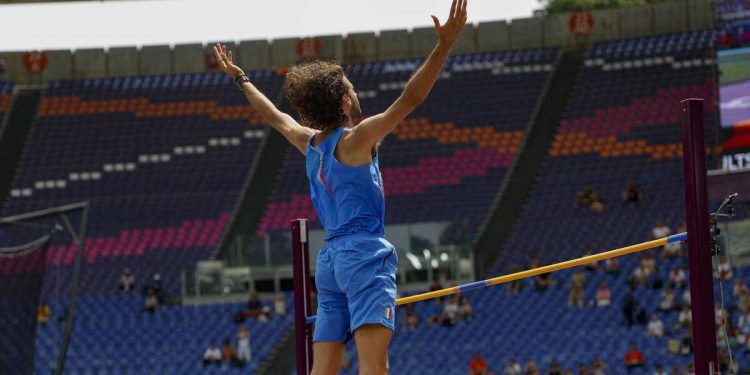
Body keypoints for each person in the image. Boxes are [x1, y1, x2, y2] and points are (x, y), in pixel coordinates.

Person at [213, 2, 468, 372]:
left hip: (330, 261)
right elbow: (410, 99)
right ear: (346, 101)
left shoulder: (309, 142)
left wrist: (242, 78)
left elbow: (274, 115)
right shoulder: (358, 138)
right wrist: (443, 46)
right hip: (364, 255)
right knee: (373, 367)